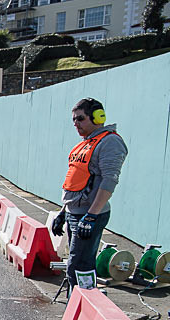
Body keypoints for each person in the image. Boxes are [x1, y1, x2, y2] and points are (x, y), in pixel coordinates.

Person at [51, 98, 127, 291]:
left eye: (80, 119)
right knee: (76, 265)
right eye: (74, 120)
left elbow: (109, 181)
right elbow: (75, 181)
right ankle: (78, 310)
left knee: (80, 267)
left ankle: (81, 310)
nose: (76, 123)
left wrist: (92, 215)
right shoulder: (85, 144)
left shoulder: (110, 142)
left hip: (89, 214)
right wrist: (63, 211)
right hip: (75, 213)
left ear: (98, 117)